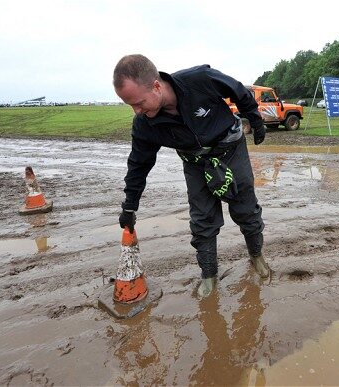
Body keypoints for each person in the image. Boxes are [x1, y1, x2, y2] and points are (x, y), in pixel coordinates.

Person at [113, 54, 270, 297]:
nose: (137, 111)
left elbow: (237, 90)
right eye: (131, 105)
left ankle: (257, 256)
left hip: (230, 150)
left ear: (156, 86)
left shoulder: (199, 79)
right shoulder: (144, 124)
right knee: (202, 220)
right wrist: (130, 206)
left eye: (139, 102)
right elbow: (138, 166)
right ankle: (209, 274)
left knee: (245, 209)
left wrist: (255, 118)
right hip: (195, 162)